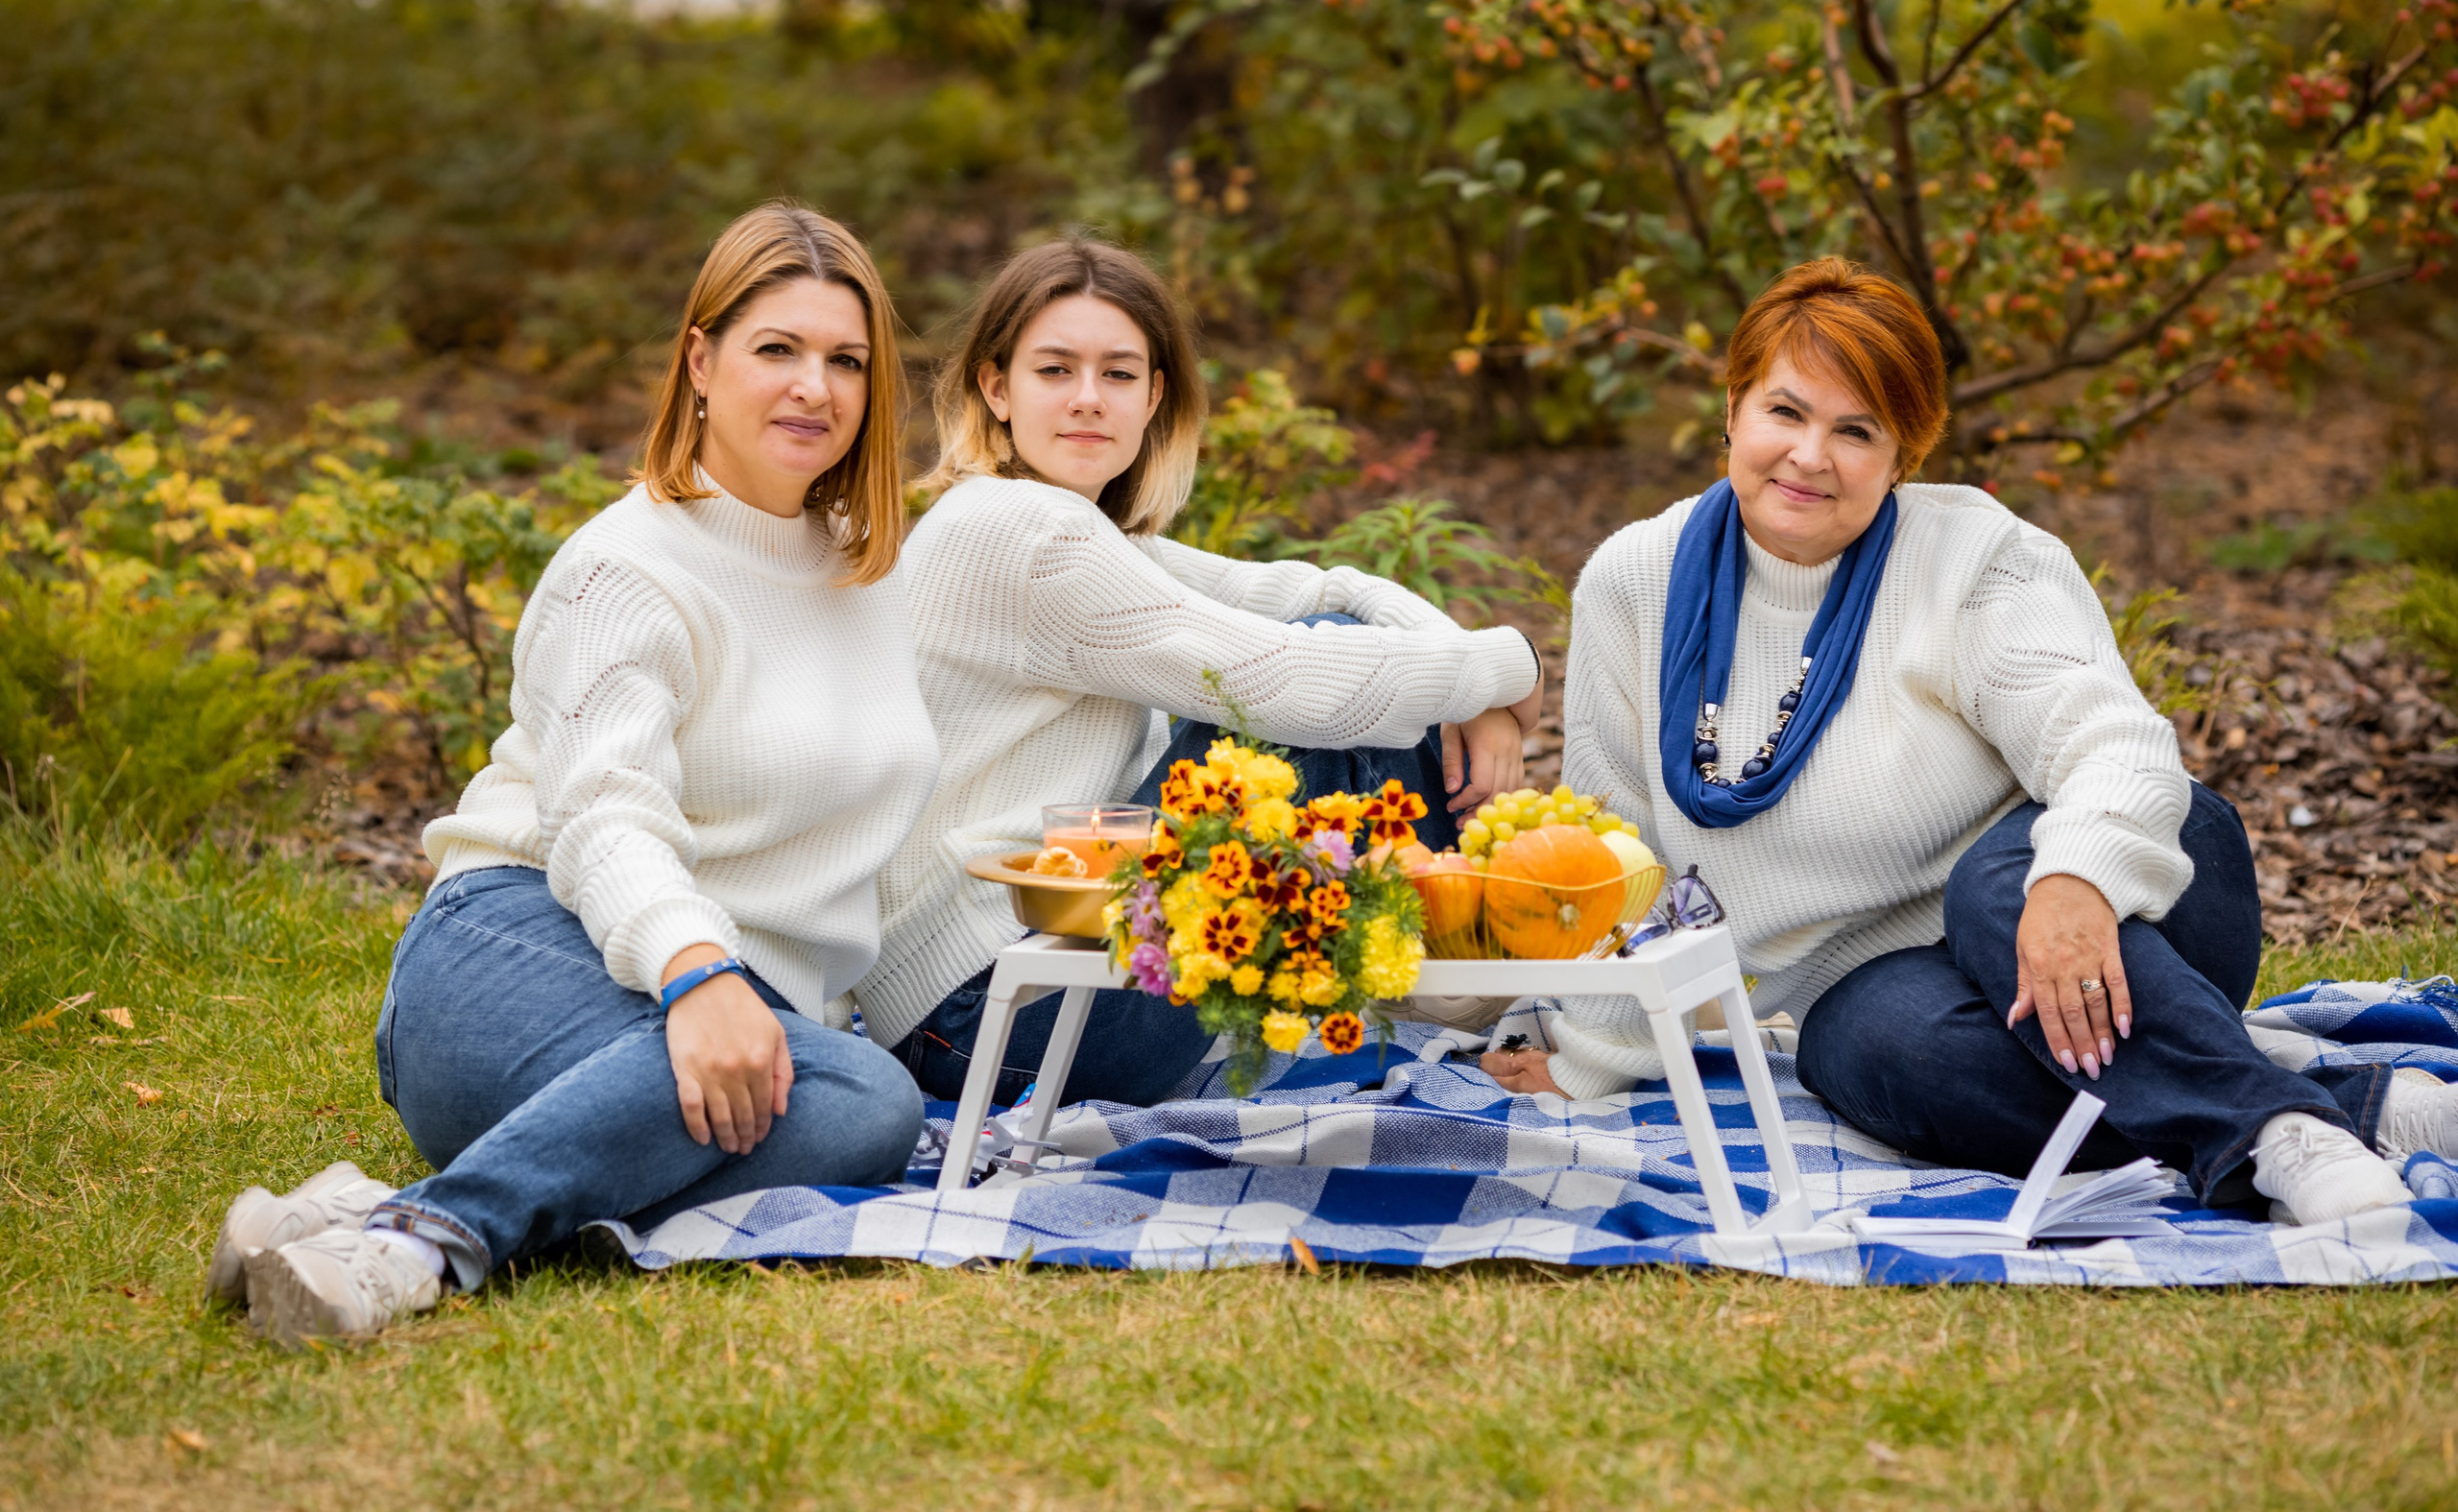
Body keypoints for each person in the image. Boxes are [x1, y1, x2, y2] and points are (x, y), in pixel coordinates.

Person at [1483, 256, 2458, 1225]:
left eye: (1854, 431)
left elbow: (2109, 741)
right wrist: (1591, 1058)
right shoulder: (1634, 583)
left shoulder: (1974, 559)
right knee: (1864, 1055)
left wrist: (2074, 881)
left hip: (2125, 899)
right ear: (1731, 412)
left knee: (1996, 885)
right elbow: (1623, 851)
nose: (1809, 456)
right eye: (1785, 413)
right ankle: (2344, 1105)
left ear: (1902, 455)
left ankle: (2276, 1138)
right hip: (1890, 979)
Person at [207, 202, 941, 1342]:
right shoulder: (625, 567)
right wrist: (699, 974)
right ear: (700, 361)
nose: (816, 387)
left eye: (847, 359)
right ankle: (426, 1247)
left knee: (863, 1110)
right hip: (519, 952)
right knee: (862, 1101)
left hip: (726, 1022)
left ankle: (355, 1216)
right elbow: (604, 814)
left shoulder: (869, 579)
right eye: (777, 350)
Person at [865, 239, 1545, 1107]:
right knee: (1310, 700)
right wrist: (1503, 668)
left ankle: (1446, 975)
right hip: (995, 1012)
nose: (1086, 398)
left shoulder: (1082, 530)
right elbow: (1289, 681)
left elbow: (1320, 588)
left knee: (1339, 643)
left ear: (1153, 396)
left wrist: (1485, 690)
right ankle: (1461, 979)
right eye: (1055, 369)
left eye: (1117, 374)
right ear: (996, 389)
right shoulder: (1025, 533)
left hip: (999, 1004)